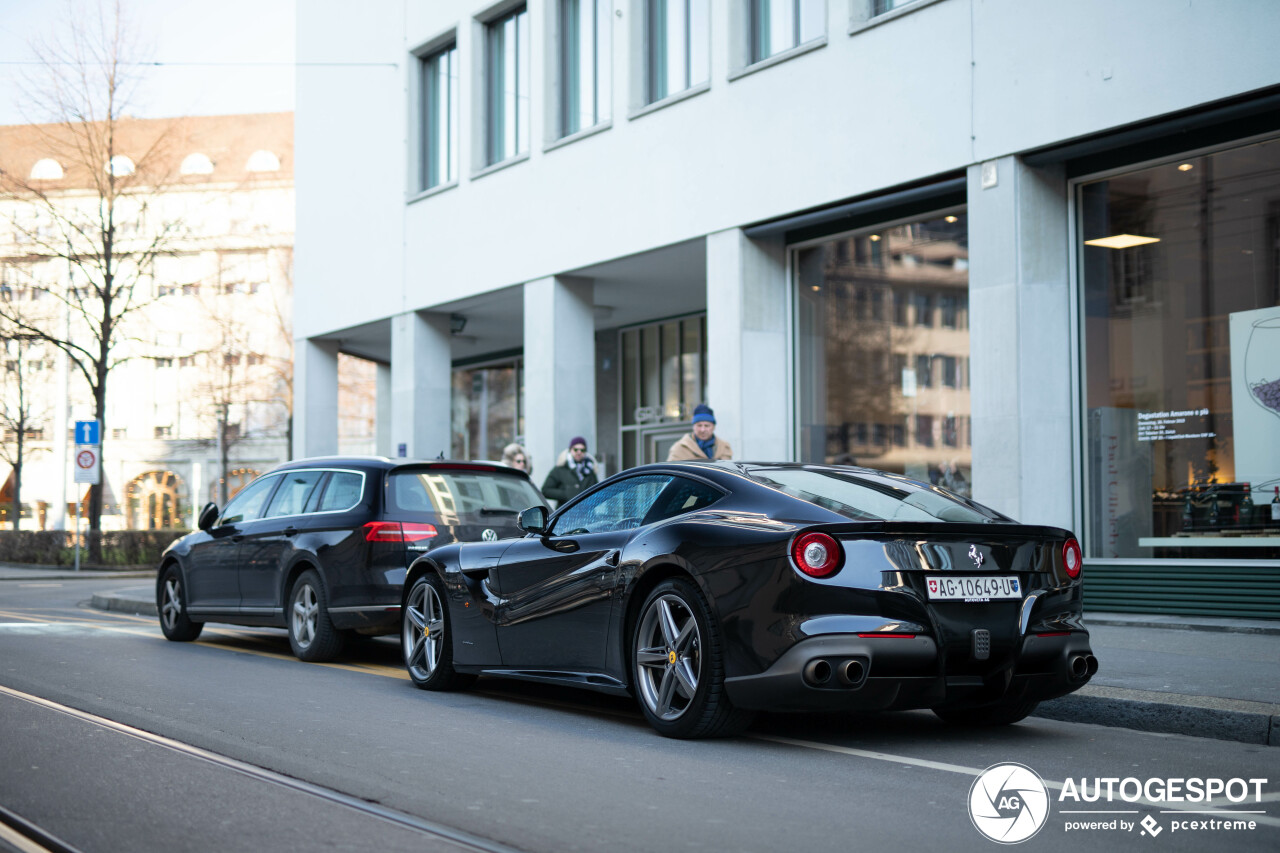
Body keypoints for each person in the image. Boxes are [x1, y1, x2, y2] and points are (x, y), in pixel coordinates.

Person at [541, 436, 599, 507]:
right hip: (566, 513)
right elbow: (545, 491)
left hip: (587, 513)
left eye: (582, 450)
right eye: (575, 449)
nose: (579, 452)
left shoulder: (590, 469)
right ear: (570, 450)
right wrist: (566, 494)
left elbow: (596, 491)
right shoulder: (560, 468)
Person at [668, 404, 733, 461]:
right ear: (693, 427)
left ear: (713, 427)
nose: (702, 430)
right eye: (699, 425)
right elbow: (670, 472)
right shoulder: (680, 448)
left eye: (706, 426)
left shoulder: (724, 447)